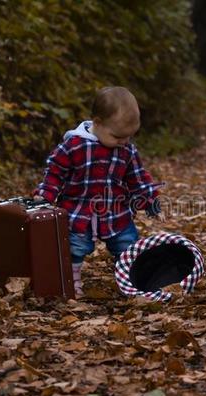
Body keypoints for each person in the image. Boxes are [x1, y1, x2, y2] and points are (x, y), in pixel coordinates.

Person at [33, 86, 163, 298]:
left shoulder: (127, 150)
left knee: (128, 245)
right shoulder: (74, 145)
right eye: (117, 136)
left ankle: (131, 280)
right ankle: (71, 280)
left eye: (128, 137)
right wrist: (45, 195)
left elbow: (137, 178)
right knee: (75, 247)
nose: (123, 142)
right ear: (97, 122)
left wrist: (150, 201)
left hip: (116, 212)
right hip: (79, 211)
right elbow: (55, 172)